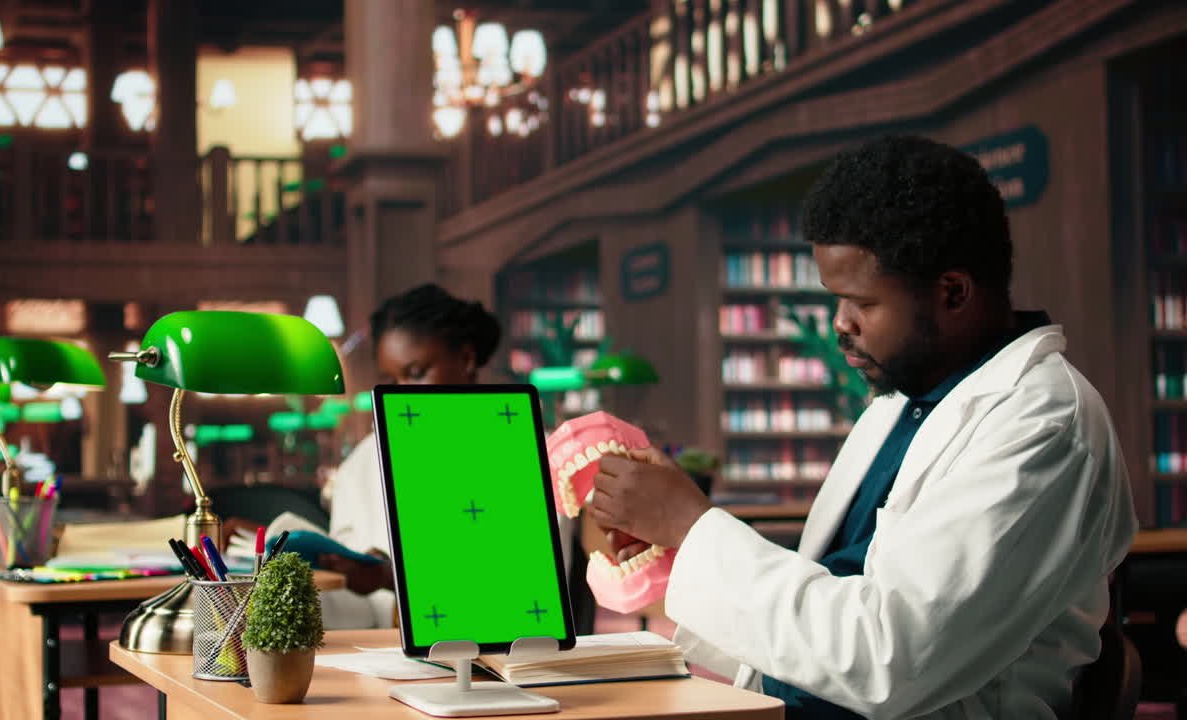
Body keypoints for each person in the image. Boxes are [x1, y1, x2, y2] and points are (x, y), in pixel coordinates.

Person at [589, 135, 1138, 718]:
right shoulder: (902, 404)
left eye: (862, 304)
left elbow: (892, 661)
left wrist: (692, 524)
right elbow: (825, 623)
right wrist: (677, 545)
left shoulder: (1044, 424)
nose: (839, 325)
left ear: (952, 292)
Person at [317, 283, 503, 629]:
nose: (403, 393)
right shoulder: (365, 458)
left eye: (416, 373)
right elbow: (349, 589)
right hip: (380, 656)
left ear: (465, 358)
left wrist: (393, 576)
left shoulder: (524, 453)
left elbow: (512, 592)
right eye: (392, 379)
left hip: (491, 664)